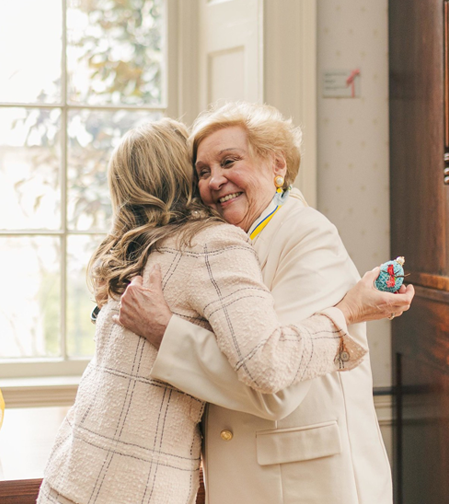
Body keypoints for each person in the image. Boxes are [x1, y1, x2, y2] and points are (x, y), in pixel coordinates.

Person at [36, 118, 398, 504]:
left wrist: (348, 312)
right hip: (195, 477)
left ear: (277, 165)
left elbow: (273, 381)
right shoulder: (207, 242)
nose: (214, 181)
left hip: (305, 482)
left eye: (230, 161)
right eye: (202, 171)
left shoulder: (306, 234)